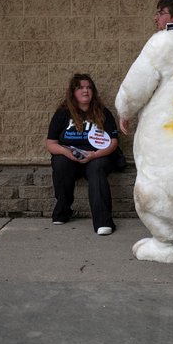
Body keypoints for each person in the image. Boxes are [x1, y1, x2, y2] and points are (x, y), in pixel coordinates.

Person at [46, 74, 119, 235]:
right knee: (60, 163)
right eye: (80, 87)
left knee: (97, 168)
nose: (85, 90)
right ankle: (62, 212)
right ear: (73, 92)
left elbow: (113, 143)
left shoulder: (103, 112)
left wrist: (94, 155)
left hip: (96, 156)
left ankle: (103, 222)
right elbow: (51, 144)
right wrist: (67, 152)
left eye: (89, 87)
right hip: (70, 157)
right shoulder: (63, 113)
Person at [119, 0, 173, 135]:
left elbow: (139, 81)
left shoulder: (161, 41)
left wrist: (125, 110)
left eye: (161, 13)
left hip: (166, 123)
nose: (155, 17)